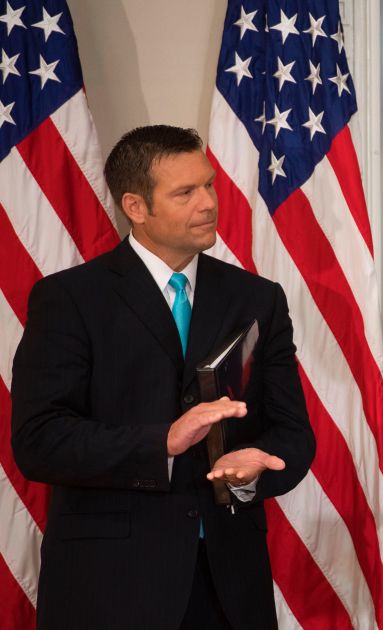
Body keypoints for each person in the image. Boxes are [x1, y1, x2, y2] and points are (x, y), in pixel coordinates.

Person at [11, 125, 316, 630]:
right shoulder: (69, 300)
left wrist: (251, 473)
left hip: (230, 587)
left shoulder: (258, 299)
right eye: (185, 192)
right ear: (135, 206)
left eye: (210, 185)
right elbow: (38, 440)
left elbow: (293, 433)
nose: (209, 203)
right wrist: (163, 443)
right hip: (109, 588)